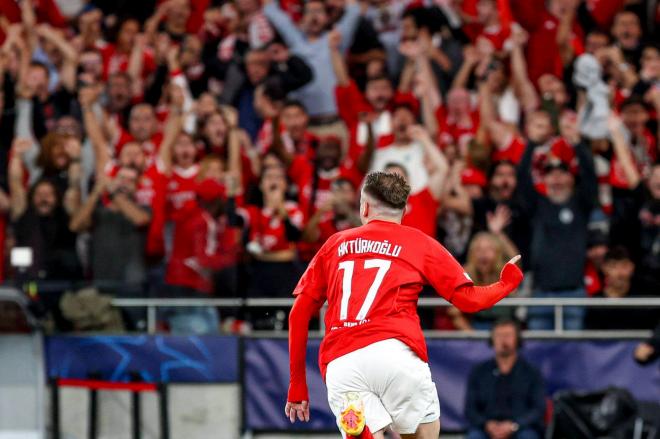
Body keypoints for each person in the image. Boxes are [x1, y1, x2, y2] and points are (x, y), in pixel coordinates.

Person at [285, 172, 524, 438]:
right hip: (395, 354)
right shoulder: (419, 243)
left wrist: (297, 385)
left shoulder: (335, 244)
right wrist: (506, 284)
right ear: (403, 210)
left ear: (364, 206)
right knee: (425, 431)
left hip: (342, 362)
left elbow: (298, 316)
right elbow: (470, 301)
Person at [464, 319, 545, 439]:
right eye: (499, 335)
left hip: (521, 428)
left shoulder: (531, 372)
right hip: (486, 428)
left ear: (517, 339)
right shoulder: (479, 371)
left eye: (508, 335)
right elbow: (470, 409)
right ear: (492, 339)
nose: (503, 340)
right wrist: (487, 425)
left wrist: (515, 425)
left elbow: (538, 408)